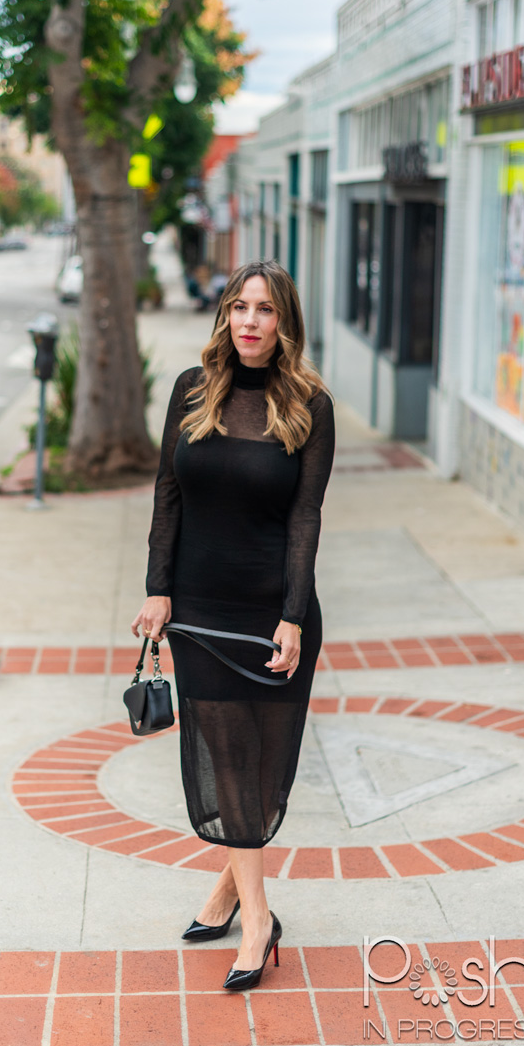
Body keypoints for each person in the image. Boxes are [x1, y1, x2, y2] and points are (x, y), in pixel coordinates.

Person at [131, 258, 335, 992]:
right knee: (226, 757)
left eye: (266, 310)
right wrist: (157, 589)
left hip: (271, 612)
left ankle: (226, 889)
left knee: (260, 770)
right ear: (225, 317)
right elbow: (167, 494)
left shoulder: (311, 403)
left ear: (285, 323)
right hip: (202, 613)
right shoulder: (192, 389)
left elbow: (306, 516)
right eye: (240, 307)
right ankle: (258, 918)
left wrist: (291, 614)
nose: (250, 320)